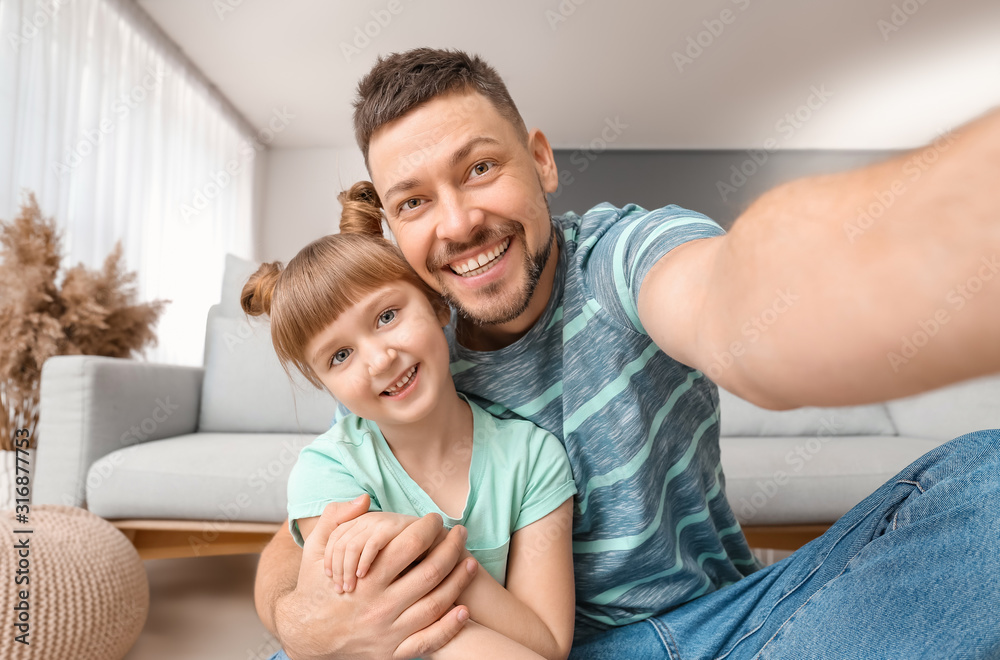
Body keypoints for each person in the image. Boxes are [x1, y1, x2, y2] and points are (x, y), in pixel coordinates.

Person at [255, 48, 1000, 659]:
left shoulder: (620, 258)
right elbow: (306, 529)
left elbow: (733, 297)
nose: (459, 223)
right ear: (390, 224)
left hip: (720, 630)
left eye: (480, 168)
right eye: (414, 201)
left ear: (540, 162)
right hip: (504, 644)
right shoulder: (409, 344)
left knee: (985, 483)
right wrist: (301, 619)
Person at [241, 185, 577, 659]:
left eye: (387, 316)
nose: (379, 359)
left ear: (438, 304)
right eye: (340, 355)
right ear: (326, 385)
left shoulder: (533, 458)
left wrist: (424, 551)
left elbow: (547, 641)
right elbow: (365, 633)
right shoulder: (329, 473)